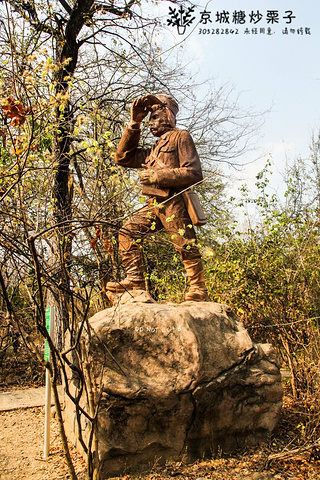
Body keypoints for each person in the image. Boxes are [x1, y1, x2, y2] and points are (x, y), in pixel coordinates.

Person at [106, 93, 209, 301]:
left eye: (155, 115)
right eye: (149, 117)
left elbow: (194, 173)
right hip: (154, 204)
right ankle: (135, 280)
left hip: (175, 201)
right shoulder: (152, 149)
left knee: (184, 243)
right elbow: (122, 158)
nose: (151, 121)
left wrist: (157, 175)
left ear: (168, 114)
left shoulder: (181, 136)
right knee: (127, 232)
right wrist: (135, 122)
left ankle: (198, 288)